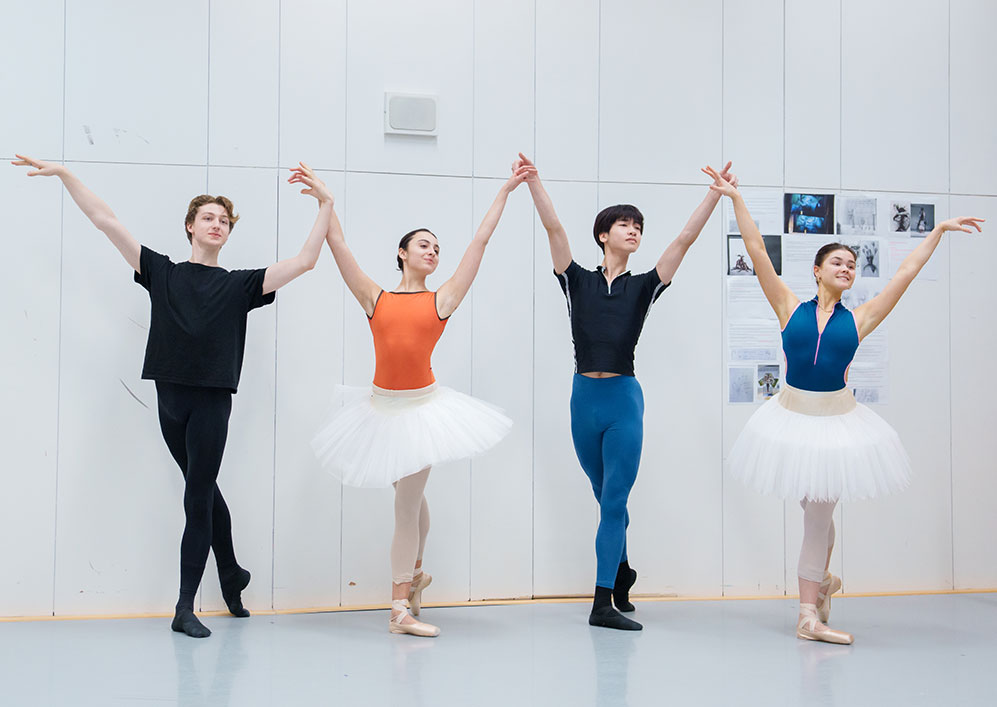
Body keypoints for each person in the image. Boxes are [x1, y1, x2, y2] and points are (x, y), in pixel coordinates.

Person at [12, 155, 334, 638]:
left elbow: (306, 261)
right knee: (201, 489)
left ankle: (184, 607)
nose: (217, 224)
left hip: (210, 402)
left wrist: (326, 203)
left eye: (224, 221)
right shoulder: (161, 272)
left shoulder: (240, 284)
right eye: (208, 217)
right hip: (168, 399)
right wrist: (64, 174)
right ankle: (231, 573)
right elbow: (106, 221)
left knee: (197, 495)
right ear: (190, 226)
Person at [706, 163, 984, 645]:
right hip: (790, 418)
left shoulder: (860, 319)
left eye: (852, 265)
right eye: (838, 261)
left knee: (816, 516)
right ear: (817, 270)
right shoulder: (787, 306)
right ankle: (826, 580)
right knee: (817, 512)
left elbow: (907, 272)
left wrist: (938, 229)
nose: (847, 268)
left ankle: (807, 614)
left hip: (835, 422)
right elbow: (756, 251)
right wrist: (735, 199)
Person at [312, 165, 534, 637]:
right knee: (412, 507)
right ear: (402, 253)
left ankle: (398, 610)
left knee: (405, 510)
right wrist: (325, 200)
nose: (432, 251)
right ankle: (414, 578)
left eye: (437, 248)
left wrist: (505, 191)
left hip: (421, 412)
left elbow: (479, 243)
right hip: (378, 411)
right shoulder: (375, 296)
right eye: (423, 244)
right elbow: (339, 247)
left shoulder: (443, 299)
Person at [519, 152, 737, 631]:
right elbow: (555, 231)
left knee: (615, 499)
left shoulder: (644, 287)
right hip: (583, 401)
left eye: (638, 226)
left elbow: (684, 239)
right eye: (624, 224)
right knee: (604, 497)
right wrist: (534, 182)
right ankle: (621, 571)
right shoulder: (576, 281)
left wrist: (713, 195)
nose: (634, 231)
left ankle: (602, 605)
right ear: (603, 235)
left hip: (623, 403)